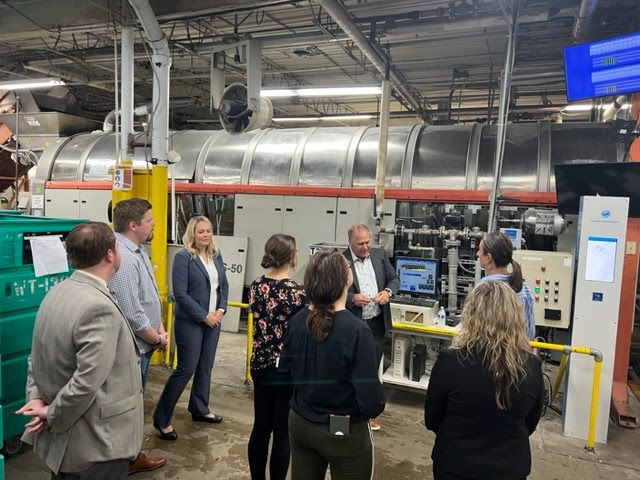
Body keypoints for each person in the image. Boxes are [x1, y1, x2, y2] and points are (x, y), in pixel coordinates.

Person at [17, 222, 143, 479]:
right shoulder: (98, 307)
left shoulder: (55, 292)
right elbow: (87, 381)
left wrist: (36, 398)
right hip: (97, 446)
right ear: (110, 254)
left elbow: (36, 356)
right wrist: (50, 413)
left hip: (67, 451)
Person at [280, 249, 385, 480]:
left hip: (301, 424)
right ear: (345, 280)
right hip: (343, 431)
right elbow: (371, 401)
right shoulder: (357, 332)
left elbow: (285, 373)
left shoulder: (296, 322)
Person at [424, 281, 545, 480]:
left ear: (471, 315)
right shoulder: (531, 366)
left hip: (455, 465)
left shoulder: (450, 361)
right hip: (509, 468)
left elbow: (432, 418)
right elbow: (530, 422)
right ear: (515, 317)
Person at [153, 215, 229, 439]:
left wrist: (220, 310)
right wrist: (204, 316)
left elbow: (223, 286)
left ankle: (200, 408)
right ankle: (162, 418)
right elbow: (181, 295)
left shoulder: (216, 254)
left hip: (213, 321)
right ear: (192, 234)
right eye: (200, 231)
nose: (205, 235)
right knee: (186, 369)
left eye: (208, 230)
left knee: (205, 366)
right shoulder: (183, 257)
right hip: (191, 322)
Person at [108, 198, 167, 474]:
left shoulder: (138, 251)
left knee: (137, 401)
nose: (154, 223)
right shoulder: (123, 255)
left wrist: (160, 328)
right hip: (136, 347)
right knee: (130, 406)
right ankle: (128, 459)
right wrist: (156, 337)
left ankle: (130, 454)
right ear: (133, 225)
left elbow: (147, 298)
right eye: (149, 220)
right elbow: (130, 310)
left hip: (147, 342)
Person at [247, 234, 307, 480]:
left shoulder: (256, 285)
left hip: (260, 363)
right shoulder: (297, 292)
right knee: (282, 431)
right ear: (291, 257)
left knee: (261, 426)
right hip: (285, 369)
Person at [343, 223, 398, 431]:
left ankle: (368, 414)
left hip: (375, 325)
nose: (366, 247)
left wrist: (387, 293)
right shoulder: (341, 260)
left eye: (368, 242)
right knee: (348, 370)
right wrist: (352, 299)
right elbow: (331, 289)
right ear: (350, 243)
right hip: (352, 325)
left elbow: (394, 279)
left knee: (371, 371)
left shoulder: (380, 255)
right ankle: (347, 410)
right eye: (361, 244)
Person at [477, 231, 536, 340]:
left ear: (488, 257)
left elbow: (475, 331)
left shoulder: (483, 289)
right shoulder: (525, 288)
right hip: (517, 354)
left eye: (480, 250)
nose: (477, 254)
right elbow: (530, 333)